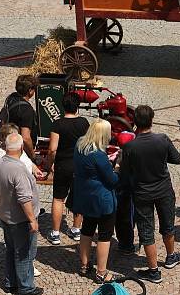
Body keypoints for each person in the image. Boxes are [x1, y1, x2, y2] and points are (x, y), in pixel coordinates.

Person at [119, 105, 180, 284]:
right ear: (152, 120)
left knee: (146, 231)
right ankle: (171, 256)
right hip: (164, 191)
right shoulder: (162, 140)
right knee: (168, 224)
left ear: (134, 123)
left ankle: (154, 271)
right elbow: (177, 159)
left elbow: (124, 174)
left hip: (141, 193)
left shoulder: (130, 147)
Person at [0, 133, 44, 295]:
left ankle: (10, 283)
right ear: (21, 148)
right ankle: (26, 288)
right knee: (24, 254)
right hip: (20, 220)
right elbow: (24, 198)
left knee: (11, 250)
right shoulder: (19, 169)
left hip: (5, 216)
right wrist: (32, 220)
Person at [72, 119, 118, 283]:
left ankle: (84, 265)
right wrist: (117, 168)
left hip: (85, 197)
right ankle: (101, 272)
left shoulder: (80, 145)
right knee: (104, 236)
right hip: (102, 200)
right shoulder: (99, 155)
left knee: (87, 230)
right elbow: (112, 180)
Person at [44, 92, 89, 245]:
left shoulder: (58, 124)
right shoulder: (84, 123)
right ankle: (76, 229)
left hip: (63, 165)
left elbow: (52, 149)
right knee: (79, 196)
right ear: (77, 106)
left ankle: (55, 233)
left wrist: (48, 165)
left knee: (58, 198)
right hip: (79, 166)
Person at [4, 75, 39, 162]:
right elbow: (26, 138)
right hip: (20, 152)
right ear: (30, 91)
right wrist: (33, 156)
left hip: (9, 144)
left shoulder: (11, 98)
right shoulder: (26, 110)